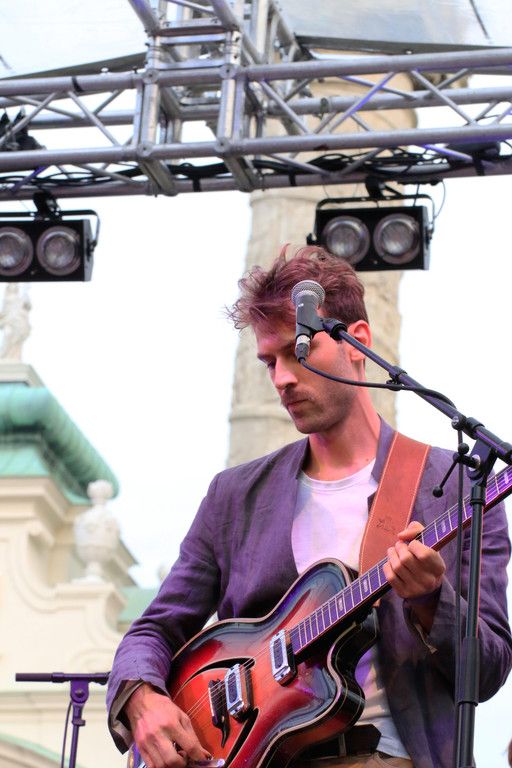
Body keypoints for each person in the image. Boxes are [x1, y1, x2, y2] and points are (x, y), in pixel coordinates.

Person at [107, 245, 512, 768]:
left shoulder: (458, 487)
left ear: (357, 342)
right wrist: (141, 696)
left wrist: (432, 600)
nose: (281, 378)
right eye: (268, 362)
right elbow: (153, 629)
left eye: (297, 352)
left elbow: (488, 671)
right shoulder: (234, 497)